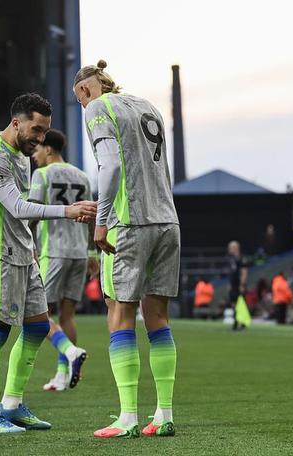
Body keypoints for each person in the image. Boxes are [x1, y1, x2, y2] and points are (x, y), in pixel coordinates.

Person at [0, 93, 97, 433]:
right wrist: (68, 211)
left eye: (44, 132)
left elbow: (23, 213)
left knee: (40, 325)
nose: (40, 139)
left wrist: (31, 247)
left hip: (24, 254)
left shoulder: (23, 156)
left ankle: (12, 406)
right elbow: (17, 207)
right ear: (16, 123)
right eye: (36, 130)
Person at [74, 60, 180, 438]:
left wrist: (102, 220)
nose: (82, 107)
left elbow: (111, 166)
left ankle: (128, 418)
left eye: (80, 100)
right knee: (158, 317)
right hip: (167, 221)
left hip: (130, 223)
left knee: (119, 314)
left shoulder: (98, 108)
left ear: (84, 90)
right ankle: (164, 415)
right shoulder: (147, 106)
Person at [28, 128, 99, 392]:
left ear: (48, 149)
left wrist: (27, 245)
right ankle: (62, 375)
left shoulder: (42, 174)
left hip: (53, 251)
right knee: (67, 315)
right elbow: (91, 216)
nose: (33, 155)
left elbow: (32, 212)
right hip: (79, 253)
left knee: (37, 314)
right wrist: (92, 252)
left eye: (37, 149)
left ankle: (70, 351)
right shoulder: (82, 176)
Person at [227, 241, 249, 330]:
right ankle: (236, 321)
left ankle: (242, 322)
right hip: (233, 285)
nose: (229, 249)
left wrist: (242, 285)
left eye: (230, 247)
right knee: (233, 303)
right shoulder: (232, 259)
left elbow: (244, 272)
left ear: (236, 248)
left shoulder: (241, 258)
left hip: (238, 285)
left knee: (240, 304)